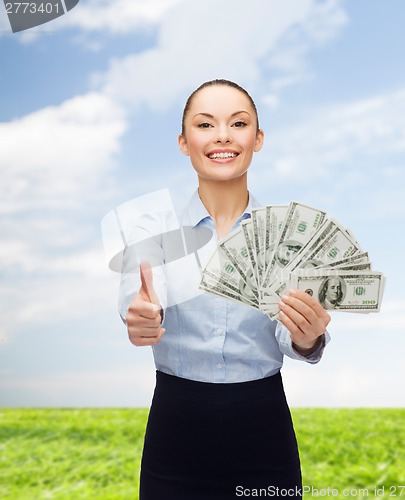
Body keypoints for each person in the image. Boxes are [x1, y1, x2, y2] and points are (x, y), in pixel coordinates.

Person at [119, 79, 331, 499]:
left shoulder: (289, 237)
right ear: (183, 142)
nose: (222, 136)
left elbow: (290, 335)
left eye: (238, 123)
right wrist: (142, 317)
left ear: (258, 139)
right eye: (204, 124)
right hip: (175, 428)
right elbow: (139, 298)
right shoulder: (153, 230)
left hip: (264, 426)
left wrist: (308, 338)